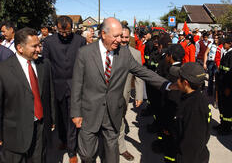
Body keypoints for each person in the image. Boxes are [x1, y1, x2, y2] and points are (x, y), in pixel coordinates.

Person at [70, 17, 174, 163]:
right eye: (116, 36)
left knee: (112, 154)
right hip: (89, 112)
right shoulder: (84, 53)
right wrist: (75, 112)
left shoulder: (124, 53)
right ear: (103, 34)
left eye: (121, 36)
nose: (120, 40)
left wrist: (168, 85)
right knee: (87, 155)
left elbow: (142, 72)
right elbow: (77, 84)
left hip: (113, 112)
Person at [0, 27, 54, 163]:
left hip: (40, 131)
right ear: (20, 48)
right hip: (14, 136)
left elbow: (50, 95)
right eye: (34, 46)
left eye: (39, 45)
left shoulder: (44, 64)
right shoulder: (4, 70)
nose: (39, 49)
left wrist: (51, 120)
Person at [42, 16, 86, 163]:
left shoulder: (80, 41)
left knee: (71, 119)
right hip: (57, 86)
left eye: (67, 32)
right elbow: (46, 64)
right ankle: (62, 139)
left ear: (72, 28)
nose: (65, 35)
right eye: (62, 32)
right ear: (56, 28)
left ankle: (72, 152)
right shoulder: (48, 42)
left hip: (75, 86)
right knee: (60, 117)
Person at [173, 62, 211, 163]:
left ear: (185, 83)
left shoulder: (193, 108)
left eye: (178, 78)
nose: (176, 81)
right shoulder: (196, 98)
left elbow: (191, 144)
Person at [118, 25, 144, 161]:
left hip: (123, 94)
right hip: (103, 94)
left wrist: (139, 95)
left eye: (126, 37)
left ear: (130, 38)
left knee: (120, 120)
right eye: (120, 36)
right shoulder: (107, 51)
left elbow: (139, 76)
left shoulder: (135, 54)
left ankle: (121, 148)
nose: (123, 40)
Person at [215, 36, 232, 135]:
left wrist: (228, 88)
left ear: (230, 43)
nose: (223, 44)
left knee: (228, 108)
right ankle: (222, 124)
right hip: (222, 85)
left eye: (225, 43)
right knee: (222, 106)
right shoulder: (227, 54)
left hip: (228, 87)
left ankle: (227, 128)